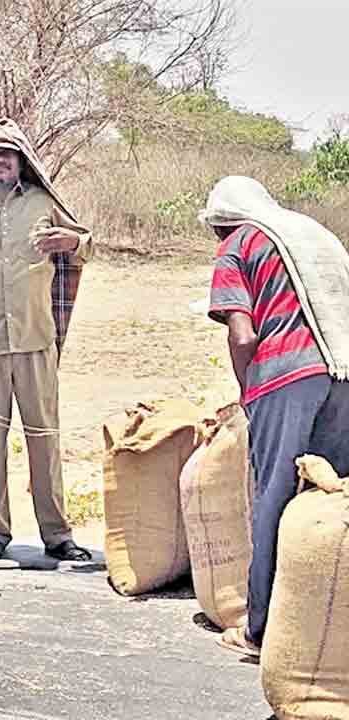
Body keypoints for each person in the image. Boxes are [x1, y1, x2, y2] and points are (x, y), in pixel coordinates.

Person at [202, 176, 349, 658]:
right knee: (334, 500)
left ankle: (259, 628)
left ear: (222, 223)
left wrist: (249, 393)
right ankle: (331, 630)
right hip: (343, 373)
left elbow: (242, 335)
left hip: (285, 377)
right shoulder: (311, 232)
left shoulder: (239, 244)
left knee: (275, 496)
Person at [0, 118, 93, 563]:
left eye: (7, 154)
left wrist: (73, 239)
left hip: (35, 339)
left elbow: (85, 244)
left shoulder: (43, 202)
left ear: (21, 162)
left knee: (44, 437)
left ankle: (58, 535)